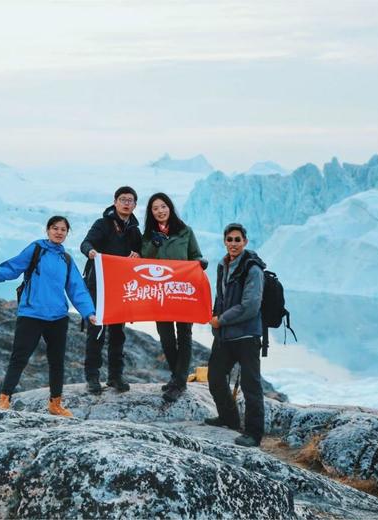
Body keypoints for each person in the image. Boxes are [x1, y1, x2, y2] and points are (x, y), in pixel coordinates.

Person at [0, 216, 96, 416]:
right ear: (47, 230)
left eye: (63, 229)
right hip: (32, 313)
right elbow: (14, 267)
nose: (59, 232)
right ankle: (4, 399)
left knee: (57, 361)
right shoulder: (36, 249)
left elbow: (76, 288)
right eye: (55, 228)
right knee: (19, 357)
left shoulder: (66, 259)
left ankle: (55, 403)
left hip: (58, 317)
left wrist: (89, 313)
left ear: (67, 233)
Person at [141, 192, 207, 403]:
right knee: (166, 337)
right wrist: (155, 243)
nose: (160, 211)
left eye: (163, 206)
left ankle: (179, 383)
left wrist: (200, 262)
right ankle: (177, 376)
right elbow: (144, 260)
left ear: (170, 207)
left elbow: (195, 255)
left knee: (184, 335)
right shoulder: (149, 235)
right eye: (155, 208)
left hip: (182, 290)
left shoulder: (185, 231)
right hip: (161, 294)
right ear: (151, 213)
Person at [205, 222, 266, 448]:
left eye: (237, 239)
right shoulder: (223, 265)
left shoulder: (253, 269)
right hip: (225, 336)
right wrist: (214, 318)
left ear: (245, 242)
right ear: (224, 241)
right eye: (229, 239)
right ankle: (228, 418)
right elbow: (220, 298)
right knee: (215, 376)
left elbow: (250, 305)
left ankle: (253, 433)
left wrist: (221, 320)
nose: (233, 244)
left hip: (247, 336)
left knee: (251, 386)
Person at [80, 186, 142, 394]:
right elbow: (85, 243)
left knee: (118, 332)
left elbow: (142, 250)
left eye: (130, 200)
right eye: (123, 199)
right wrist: (91, 252)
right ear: (115, 202)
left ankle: (115, 376)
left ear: (134, 205)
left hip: (120, 286)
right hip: (98, 283)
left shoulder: (134, 229)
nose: (126, 203)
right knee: (97, 329)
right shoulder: (103, 224)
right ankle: (92, 377)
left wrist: (138, 254)